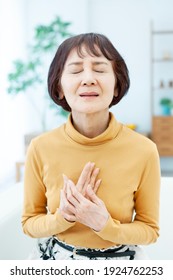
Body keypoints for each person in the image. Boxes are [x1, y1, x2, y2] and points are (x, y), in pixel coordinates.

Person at [22, 33, 160, 260]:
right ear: (59, 88)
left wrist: (105, 225)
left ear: (117, 85)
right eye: (76, 70)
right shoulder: (40, 148)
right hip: (56, 258)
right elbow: (29, 223)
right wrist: (63, 217)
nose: (88, 78)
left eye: (100, 69)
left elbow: (150, 231)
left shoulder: (144, 150)